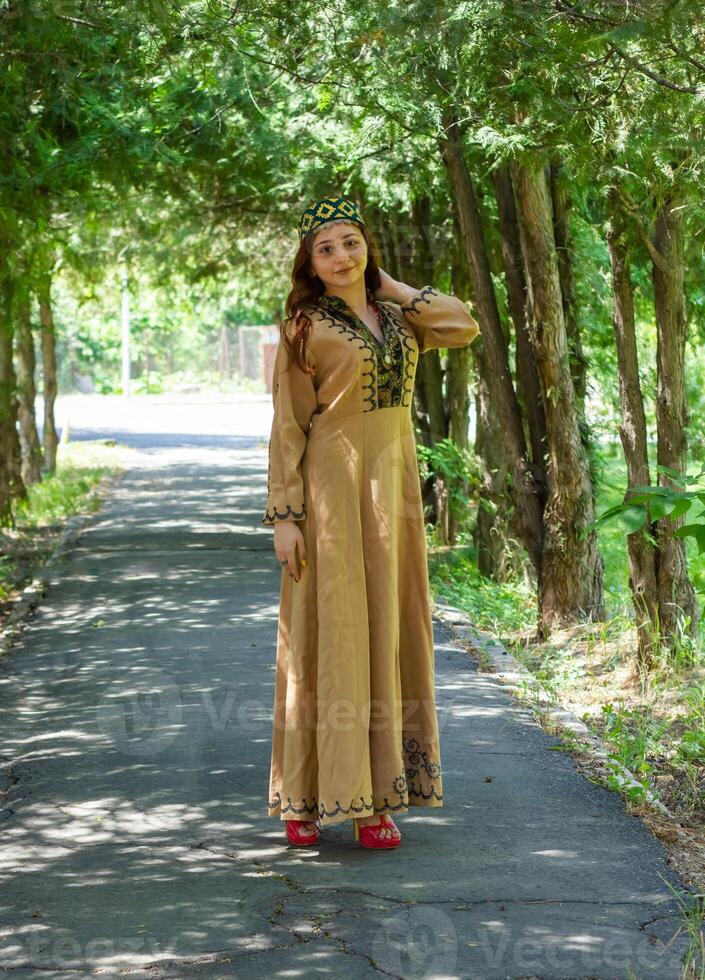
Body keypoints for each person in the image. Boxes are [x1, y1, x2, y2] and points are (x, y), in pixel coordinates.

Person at [262, 195, 480, 849]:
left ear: (367, 248)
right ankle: (305, 796)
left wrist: (390, 284)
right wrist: (285, 516)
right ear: (308, 260)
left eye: (350, 242)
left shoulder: (396, 314)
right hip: (330, 488)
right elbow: (287, 425)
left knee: (388, 629)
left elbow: (461, 326)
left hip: (394, 493)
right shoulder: (304, 325)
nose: (339, 257)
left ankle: (375, 798)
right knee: (328, 634)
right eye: (324, 247)